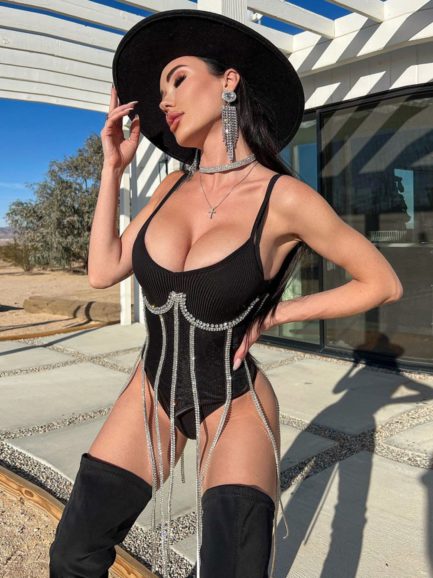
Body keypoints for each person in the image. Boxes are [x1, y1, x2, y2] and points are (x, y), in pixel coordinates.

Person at [48, 9, 403, 578]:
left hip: (235, 402)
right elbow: (102, 269)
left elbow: (382, 282)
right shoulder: (169, 187)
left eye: (178, 79)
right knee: (73, 554)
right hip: (150, 392)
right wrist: (112, 169)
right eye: (160, 92)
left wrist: (276, 314)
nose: (165, 101)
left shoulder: (284, 198)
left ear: (228, 80)